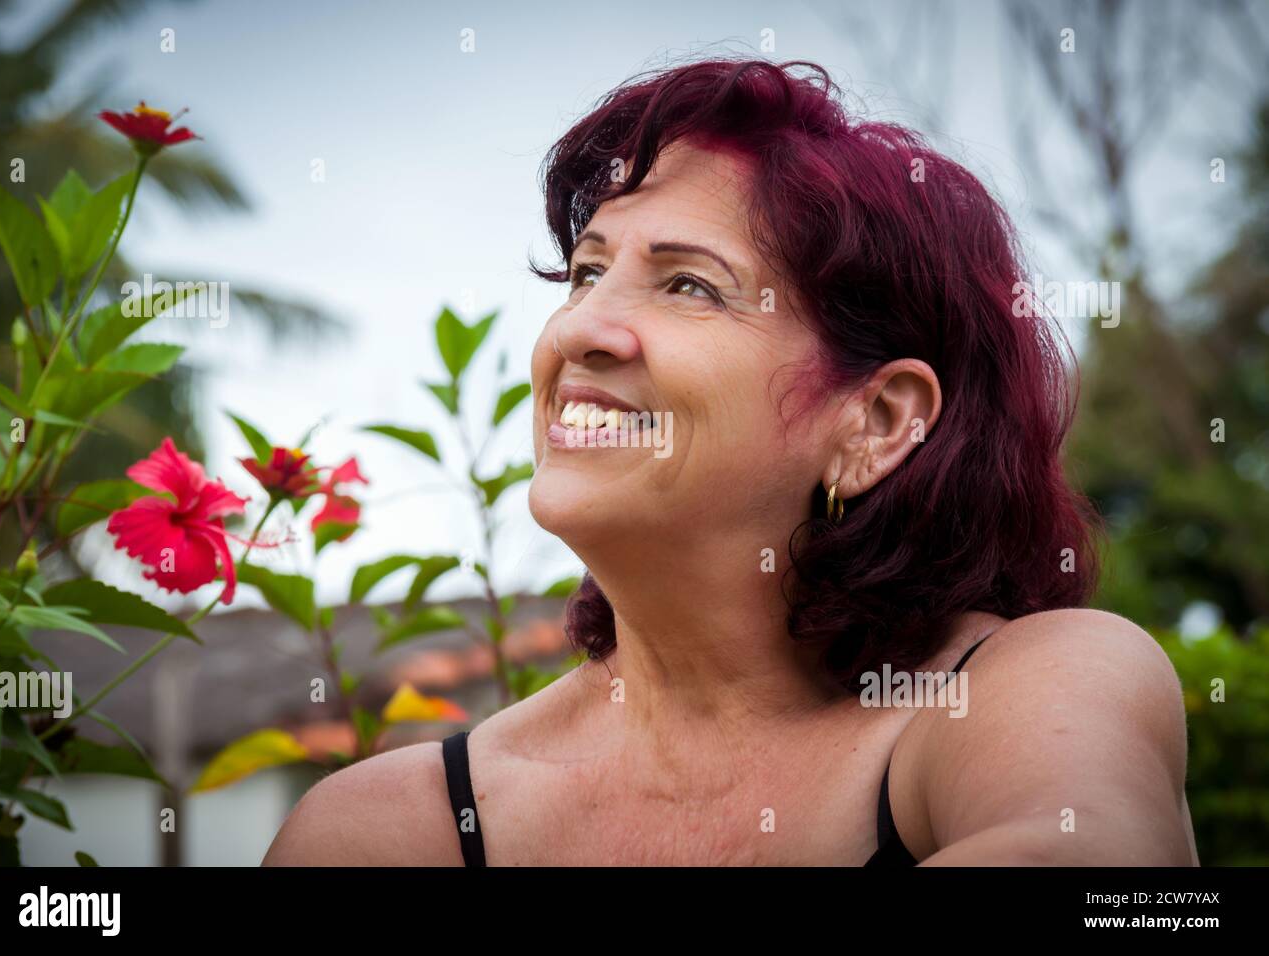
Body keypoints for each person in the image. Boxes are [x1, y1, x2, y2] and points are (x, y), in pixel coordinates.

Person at [264, 58, 1198, 867]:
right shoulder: (381, 830)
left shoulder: (1027, 686)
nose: (580, 330)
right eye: (589, 272)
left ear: (875, 420)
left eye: (688, 286)